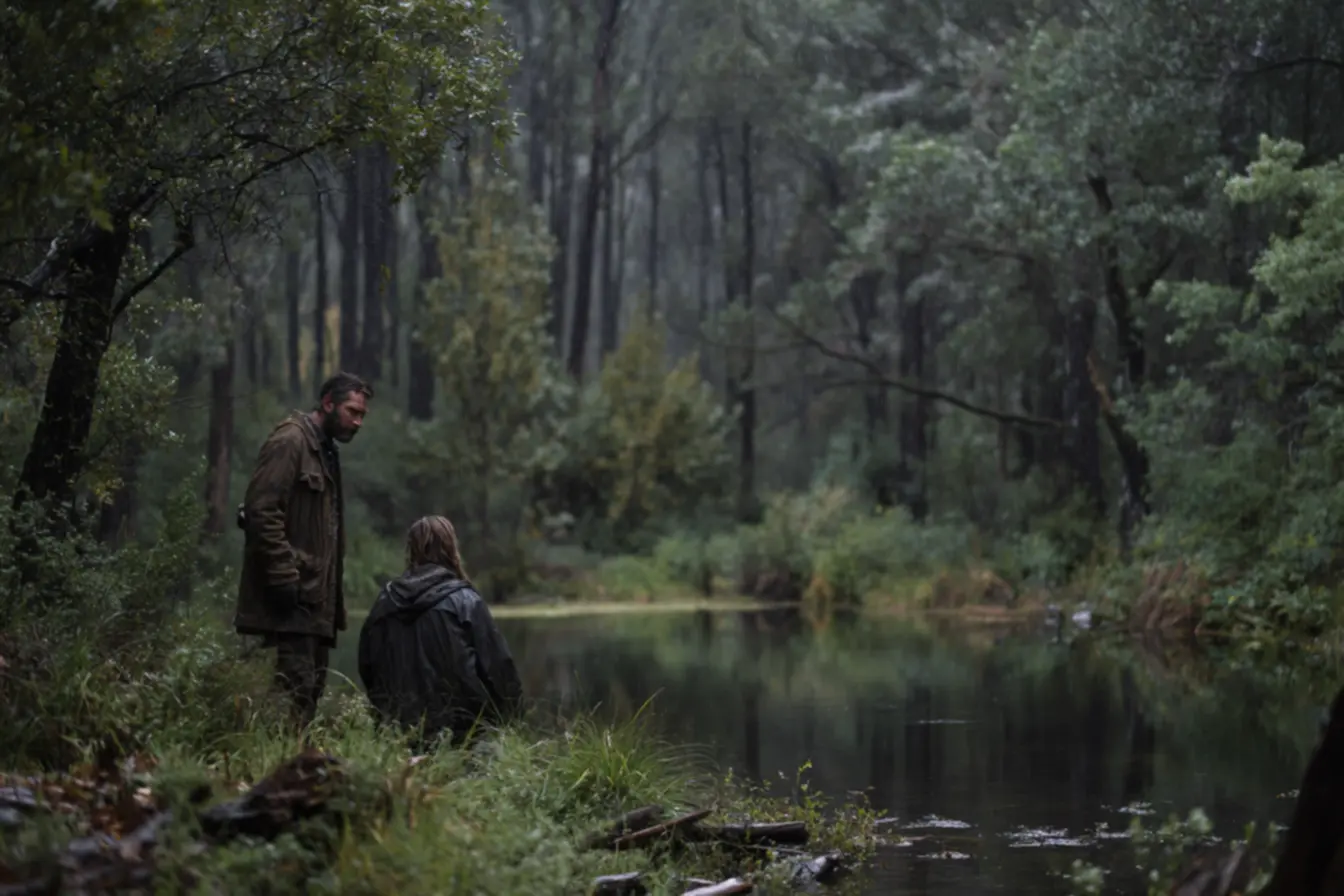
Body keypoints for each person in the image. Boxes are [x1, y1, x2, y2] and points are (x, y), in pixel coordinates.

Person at [234, 372, 373, 728]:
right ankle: (270, 773)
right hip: (291, 600)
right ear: (328, 403)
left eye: (361, 415)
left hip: (314, 602)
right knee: (289, 699)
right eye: (351, 411)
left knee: (306, 699)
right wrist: (283, 577)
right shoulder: (290, 441)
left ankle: (293, 771)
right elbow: (261, 510)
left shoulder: (325, 450)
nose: (357, 422)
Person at [358, 515, 523, 747]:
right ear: (451, 548)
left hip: (399, 733)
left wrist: (383, 714)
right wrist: (512, 720)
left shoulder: (384, 603)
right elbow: (499, 670)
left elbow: (368, 667)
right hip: (464, 735)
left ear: (411, 550)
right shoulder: (466, 601)